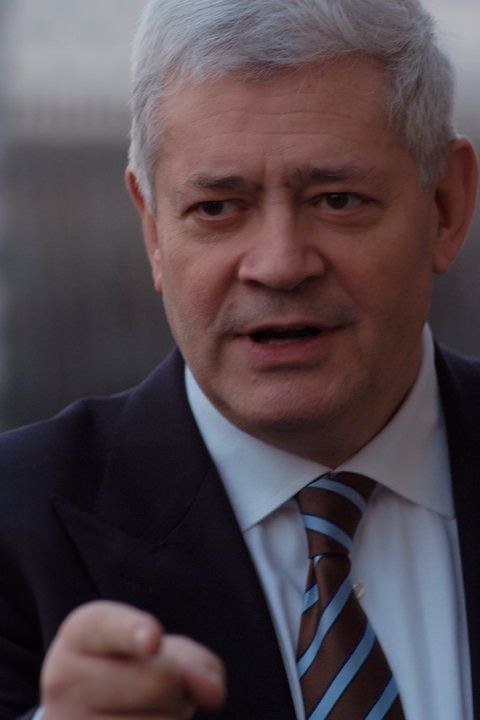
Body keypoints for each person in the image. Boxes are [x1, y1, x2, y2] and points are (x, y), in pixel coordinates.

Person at [0, 0, 478, 718]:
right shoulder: (15, 531)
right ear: (152, 230)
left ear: (445, 206)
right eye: (218, 208)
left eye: (336, 199)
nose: (279, 264)